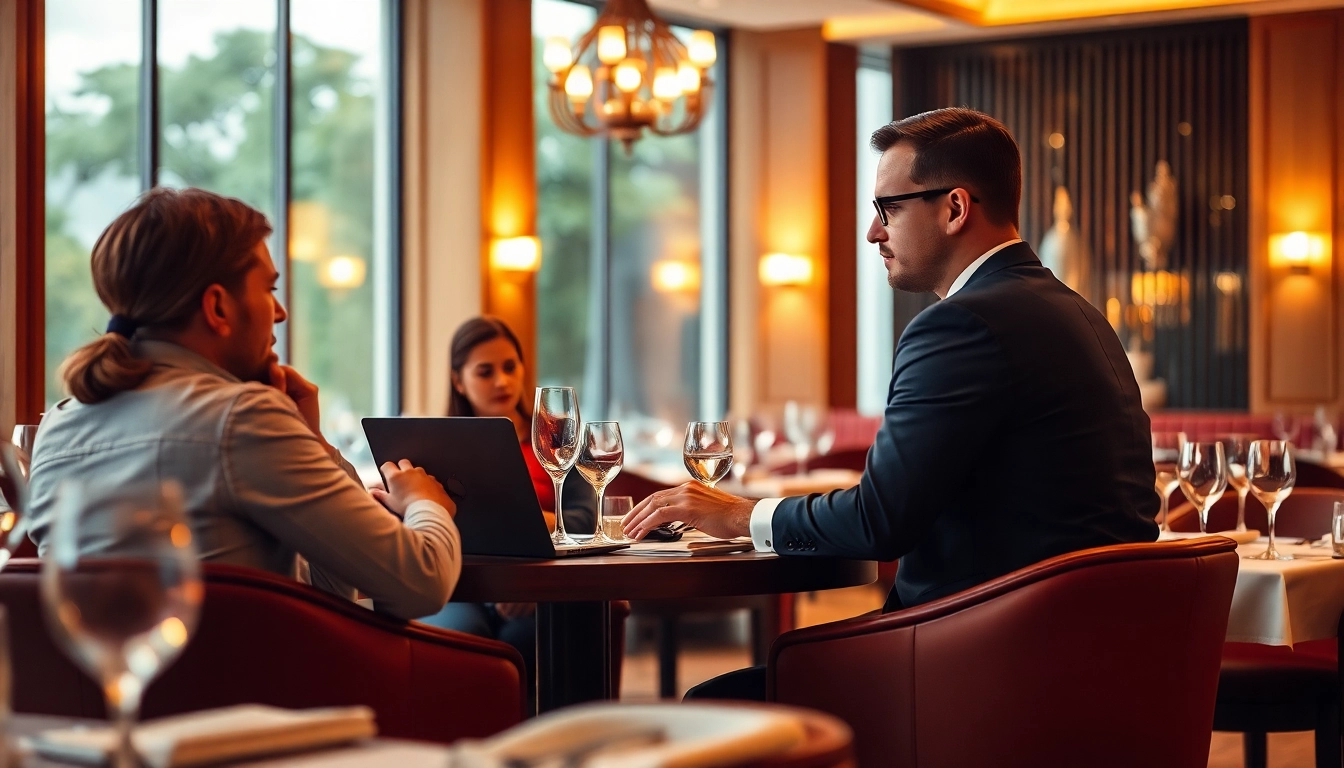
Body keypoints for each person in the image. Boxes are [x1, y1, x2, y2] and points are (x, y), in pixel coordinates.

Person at [622, 107, 1159, 699]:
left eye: (889, 208)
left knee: (712, 707)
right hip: (1093, 663)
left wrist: (738, 515)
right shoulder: (1079, 314)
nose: (874, 232)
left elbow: (880, 520)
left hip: (982, 672)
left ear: (955, 208)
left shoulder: (959, 326)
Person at [27, 187, 460, 621]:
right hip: (245, 691)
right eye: (269, 289)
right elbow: (419, 584)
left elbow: (330, 594)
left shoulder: (56, 428)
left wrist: (310, 442)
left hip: (103, 683)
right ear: (217, 307)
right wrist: (426, 502)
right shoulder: (240, 419)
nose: (281, 313)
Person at [416, 316, 595, 690]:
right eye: (485, 371)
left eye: (510, 367)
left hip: (542, 588)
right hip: (461, 587)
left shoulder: (558, 439)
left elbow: (585, 518)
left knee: (528, 638)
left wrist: (533, 583)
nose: (502, 381)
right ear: (457, 381)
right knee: (462, 642)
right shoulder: (434, 447)